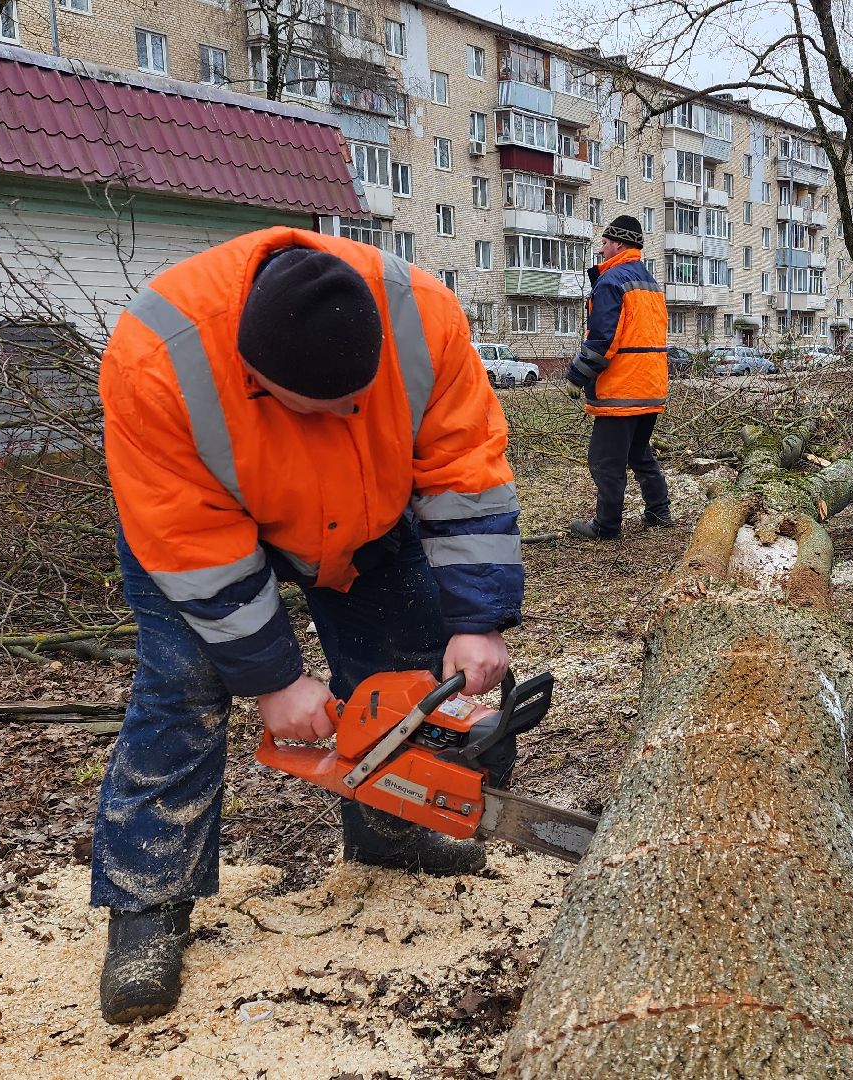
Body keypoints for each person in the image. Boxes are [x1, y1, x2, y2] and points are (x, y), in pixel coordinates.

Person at [95, 228, 524, 1024]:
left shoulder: (424, 319)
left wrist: (478, 620)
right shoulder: (157, 358)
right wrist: (273, 679)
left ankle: (390, 827)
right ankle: (147, 904)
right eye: (316, 410)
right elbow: (192, 542)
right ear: (251, 373)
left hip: (372, 507)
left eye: (355, 405)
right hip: (204, 526)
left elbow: (466, 467)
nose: (340, 419)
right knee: (183, 687)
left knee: (402, 659)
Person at [565, 215, 673, 539]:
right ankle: (659, 510)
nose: (601, 249)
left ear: (620, 244)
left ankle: (606, 526)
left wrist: (576, 376)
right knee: (639, 452)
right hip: (651, 386)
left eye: (605, 243)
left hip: (622, 387)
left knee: (604, 461)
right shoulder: (649, 283)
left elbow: (603, 339)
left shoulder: (612, 282)